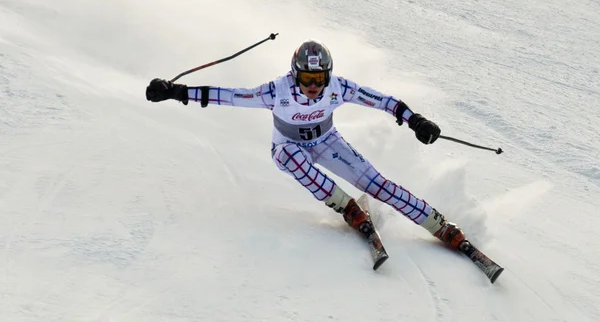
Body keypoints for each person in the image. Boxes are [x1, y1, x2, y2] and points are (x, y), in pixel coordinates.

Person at [146, 39, 467, 250]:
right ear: (295, 74)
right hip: (289, 147)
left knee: (378, 185)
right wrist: (176, 92)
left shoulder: (337, 87)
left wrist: (414, 120)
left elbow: (383, 101)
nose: (313, 87)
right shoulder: (277, 91)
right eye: (306, 79)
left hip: (327, 141)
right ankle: (347, 207)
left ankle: (438, 224)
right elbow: (229, 96)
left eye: (319, 79)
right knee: (290, 157)